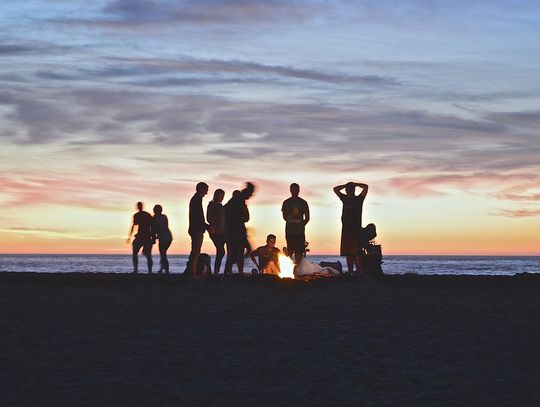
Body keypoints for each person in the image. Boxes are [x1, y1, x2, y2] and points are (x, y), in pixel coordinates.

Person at [333, 181, 369, 274]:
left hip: (356, 229)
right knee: (348, 253)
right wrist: (345, 185)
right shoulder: (344, 198)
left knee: (357, 253)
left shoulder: (359, 199)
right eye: (347, 189)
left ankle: (358, 271)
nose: (348, 191)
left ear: (353, 190)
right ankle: (350, 271)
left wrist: (355, 184)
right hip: (346, 230)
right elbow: (335, 189)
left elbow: (365, 187)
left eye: (350, 189)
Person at [223, 182, 255, 275]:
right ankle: (226, 274)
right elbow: (245, 217)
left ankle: (235, 272)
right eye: (251, 193)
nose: (251, 196)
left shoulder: (238, 201)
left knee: (238, 253)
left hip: (236, 230)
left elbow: (246, 218)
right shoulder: (238, 200)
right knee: (234, 254)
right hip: (234, 231)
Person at [281, 183, 310, 265]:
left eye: (296, 190)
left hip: (299, 232)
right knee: (290, 250)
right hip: (290, 231)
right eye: (293, 190)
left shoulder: (303, 202)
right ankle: (290, 268)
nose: (294, 192)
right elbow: (284, 217)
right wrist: (292, 221)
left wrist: (301, 225)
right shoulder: (286, 202)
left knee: (299, 251)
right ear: (290, 190)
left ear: (299, 190)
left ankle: (296, 268)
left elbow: (307, 218)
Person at [188, 182, 210, 279]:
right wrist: (207, 227)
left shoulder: (197, 199)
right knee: (196, 251)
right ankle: (192, 273)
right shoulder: (196, 200)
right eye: (205, 190)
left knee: (195, 251)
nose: (206, 193)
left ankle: (191, 272)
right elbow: (198, 217)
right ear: (200, 189)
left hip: (196, 228)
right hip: (196, 229)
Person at [126, 201, 154, 274]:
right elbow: (134, 226)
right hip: (142, 236)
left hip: (146, 236)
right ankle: (137, 270)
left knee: (146, 254)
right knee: (137, 253)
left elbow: (152, 226)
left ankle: (147, 271)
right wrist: (129, 236)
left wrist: (153, 237)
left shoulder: (145, 215)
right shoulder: (139, 215)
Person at [207, 189, 226, 275]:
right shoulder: (212, 205)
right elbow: (209, 218)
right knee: (221, 250)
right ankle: (216, 270)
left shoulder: (222, 207)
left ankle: (217, 270)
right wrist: (214, 226)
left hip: (222, 231)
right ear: (216, 195)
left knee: (221, 251)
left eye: (223, 196)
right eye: (220, 196)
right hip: (215, 231)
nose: (221, 198)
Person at [153, 204, 173, 274]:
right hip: (163, 238)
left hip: (166, 237)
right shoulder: (157, 218)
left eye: (154, 209)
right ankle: (162, 269)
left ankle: (166, 270)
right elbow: (155, 229)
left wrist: (155, 236)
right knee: (163, 253)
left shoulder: (161, 217)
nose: (153, 210)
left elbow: (162, 227)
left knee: (163, 253)